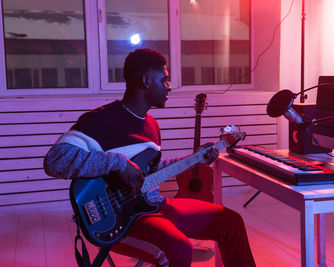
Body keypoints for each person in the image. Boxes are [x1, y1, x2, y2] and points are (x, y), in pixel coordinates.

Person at [43, 48, 256, 267]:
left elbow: (147, 174)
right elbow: (55, 161)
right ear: (145, 80)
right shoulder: (99, 120)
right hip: (121, 220)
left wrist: (194, 159)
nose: (170, 87)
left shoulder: (152, 125)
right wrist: (118, 163)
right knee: (180, 249)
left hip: (153, 206)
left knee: (231, 223)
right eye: (164, 80)